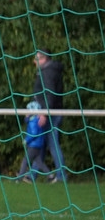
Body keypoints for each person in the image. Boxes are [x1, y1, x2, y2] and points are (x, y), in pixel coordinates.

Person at [33, 49, 66, 183]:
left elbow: (49, 94)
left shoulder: (48, 72)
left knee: (52, 144)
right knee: (41, 143)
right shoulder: (48, 71)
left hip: (50, 113)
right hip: (50, 111)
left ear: (44, 59)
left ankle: (61, 176)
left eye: (36, 58)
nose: (34, 61)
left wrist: (44, 113)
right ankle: (32, 175)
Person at [17, 100, 50, 182]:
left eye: (28, 110)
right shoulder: (34, 120)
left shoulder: (33, 121)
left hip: (33, 145)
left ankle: (19, 178)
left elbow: (34, 134)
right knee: (39, 162)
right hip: (38, 144)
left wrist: (26, 140)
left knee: (25, 160)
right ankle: (50, 175)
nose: (26, 112)